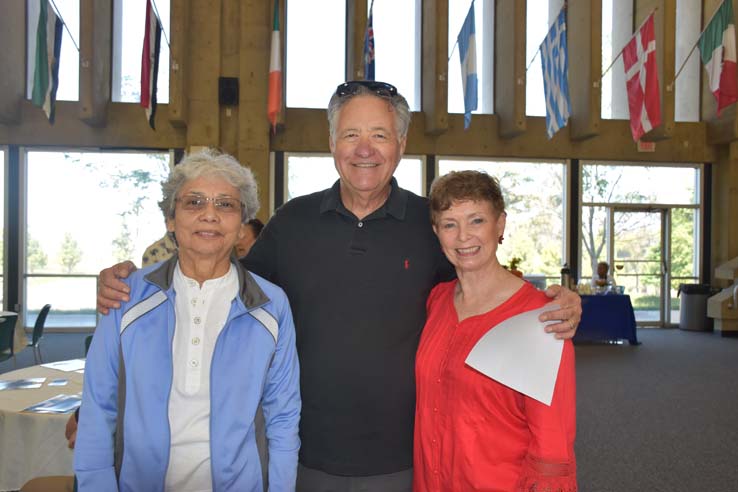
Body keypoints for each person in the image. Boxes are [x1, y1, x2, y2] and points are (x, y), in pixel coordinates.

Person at [96, 81, 581, 492]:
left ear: (401, 143)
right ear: (331, 142)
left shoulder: (429, 226)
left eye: (379, 134)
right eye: (351, 134)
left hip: (406, 459)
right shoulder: (292, 221)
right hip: (305, 453)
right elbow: (218, 287)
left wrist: (557, 300)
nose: (364, 149)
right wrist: (132, 286)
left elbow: (481, 289)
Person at [76, 149, 301, 491]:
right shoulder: (125, 296)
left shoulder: (271, 305)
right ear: (170, 218)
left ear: (242, 225)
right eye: (194, 202)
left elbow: (283, 417)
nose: (210, 214)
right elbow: (98, 409)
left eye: (226, 204)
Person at [414, 170, 576, 491]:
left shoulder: (541, 318)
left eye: (476, 221)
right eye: (449, 224)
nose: (463, 237)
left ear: (499, 225)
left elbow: (552, 445)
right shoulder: (437, 301)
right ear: (437, 232)